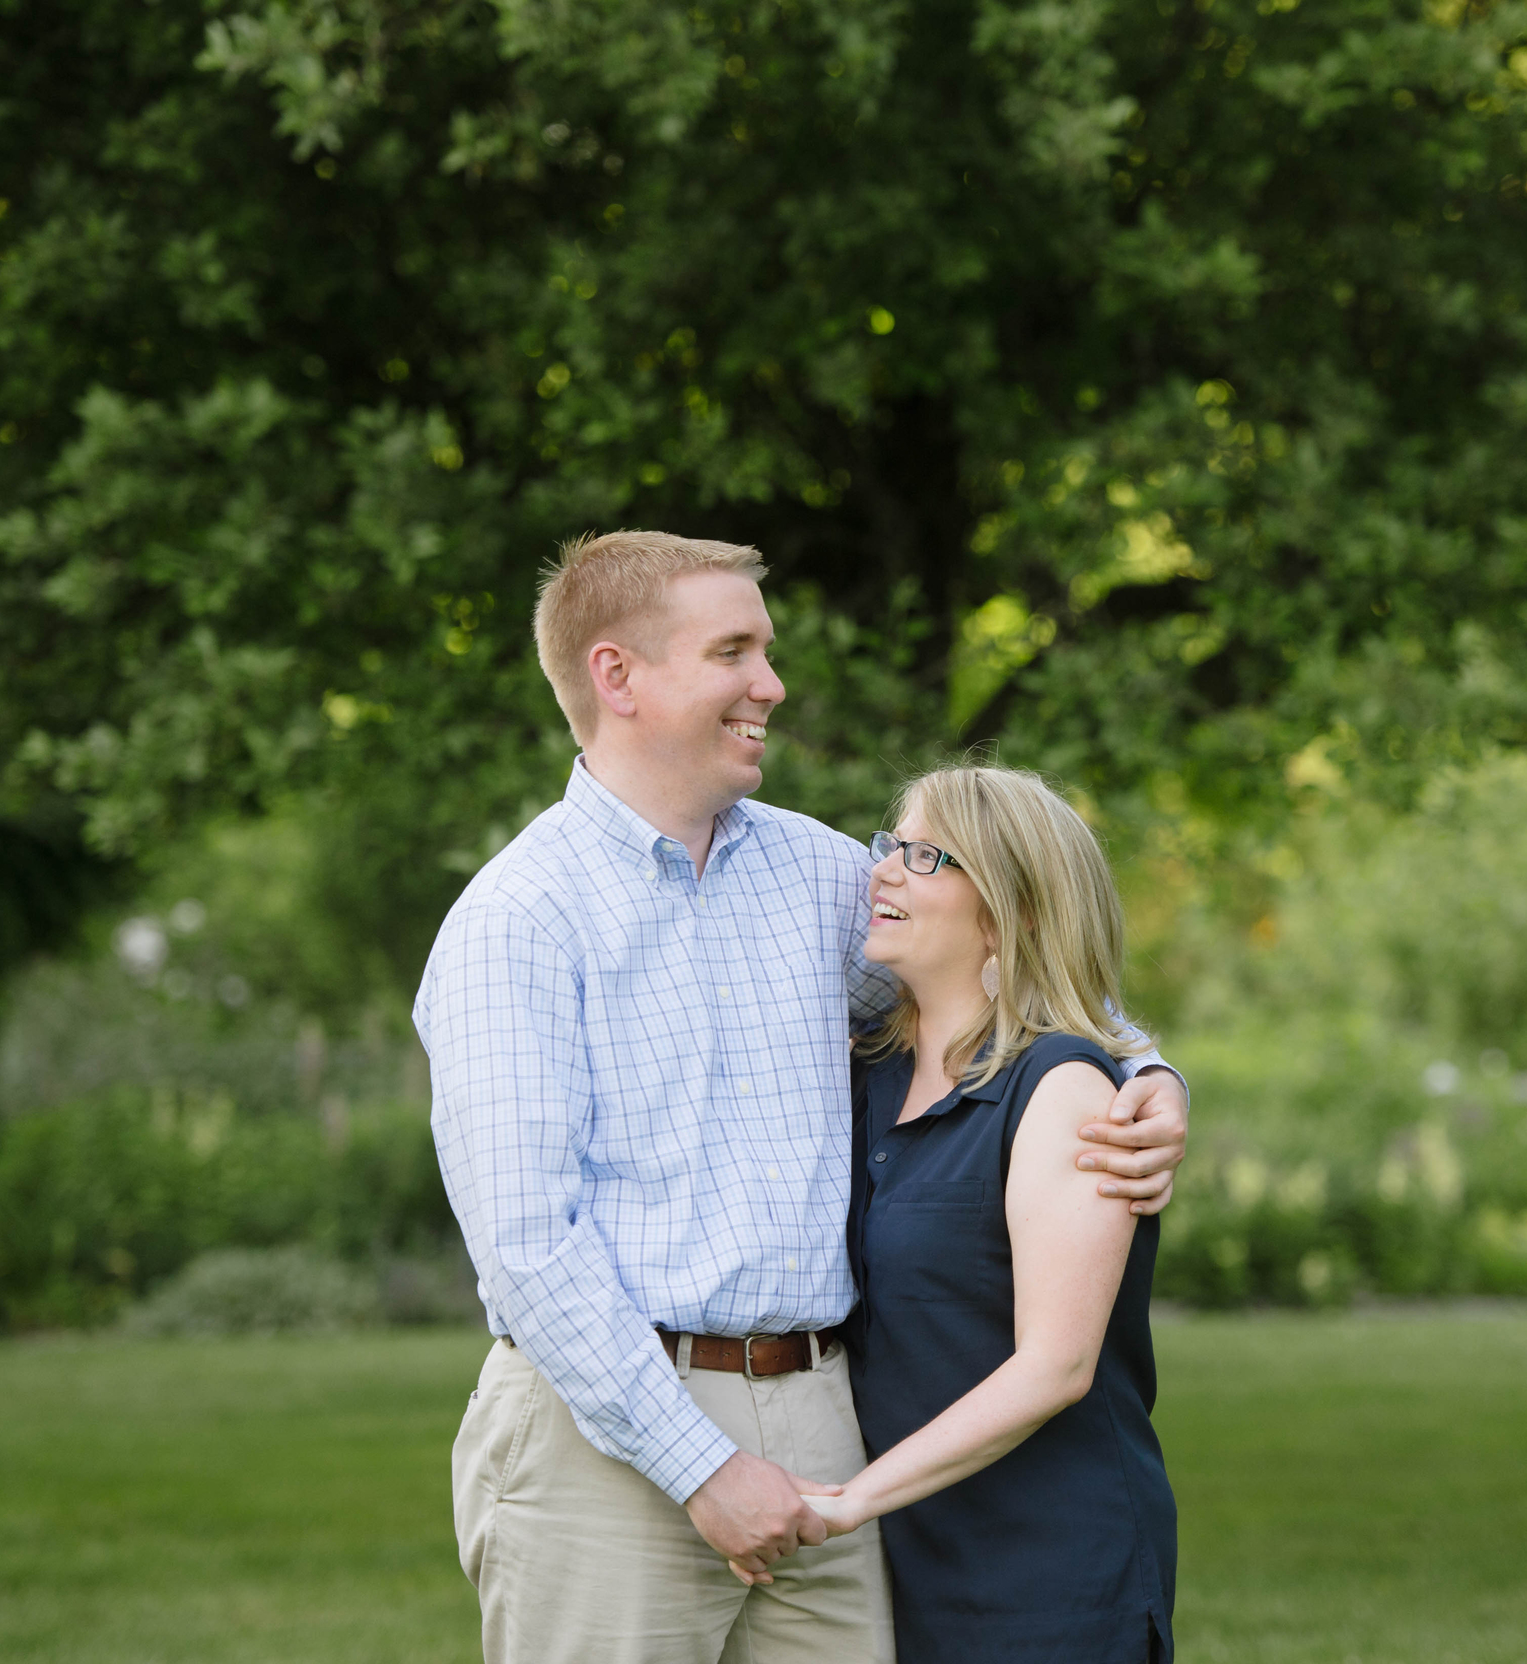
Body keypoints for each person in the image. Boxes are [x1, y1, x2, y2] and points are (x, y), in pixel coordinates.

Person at [411, 530, 1191, 1664]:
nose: (770, 685)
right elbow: (531, 1247)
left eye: (765, 651)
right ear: (616, 674)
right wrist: (700, 1464)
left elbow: (1021, 972)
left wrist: (1148, 1072)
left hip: (828, 1414)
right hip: (608, 1428)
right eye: (733, 650)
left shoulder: (819, 875)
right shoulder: (517, 919)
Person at [799, 764, 1179, 1663]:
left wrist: (852, 1499)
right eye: (892, 846)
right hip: (905, 1554)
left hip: (1048, 1570)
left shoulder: (1065, 1088)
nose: (883, 870)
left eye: (928, 857)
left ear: (1015, 911)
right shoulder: (859, 1077)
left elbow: (1057, 1365)